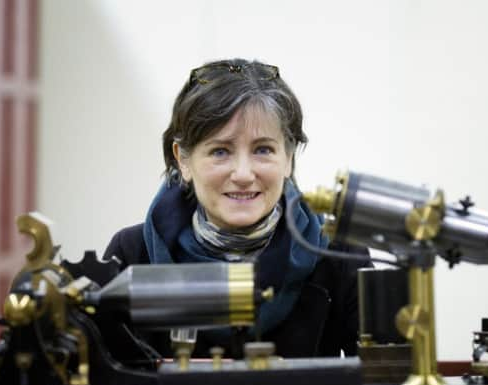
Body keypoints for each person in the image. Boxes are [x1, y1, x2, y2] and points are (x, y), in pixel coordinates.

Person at [104, 58, 369, 360]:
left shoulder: (339, 255)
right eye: (220, 151)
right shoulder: (131, 254)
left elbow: (387, 384)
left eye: (263, 150)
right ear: (183, 160)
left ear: (289, 157)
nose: (243, 174)